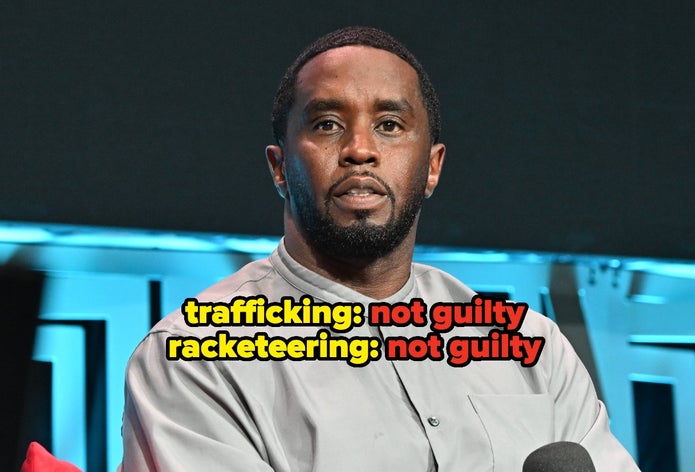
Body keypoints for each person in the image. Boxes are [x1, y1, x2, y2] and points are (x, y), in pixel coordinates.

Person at [120, 26, 640, 471]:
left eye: (389, 126)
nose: (360, 150)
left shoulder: (530, 346)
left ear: (432, 167)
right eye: (327, 124)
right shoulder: (194, 356)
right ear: (279, 167)